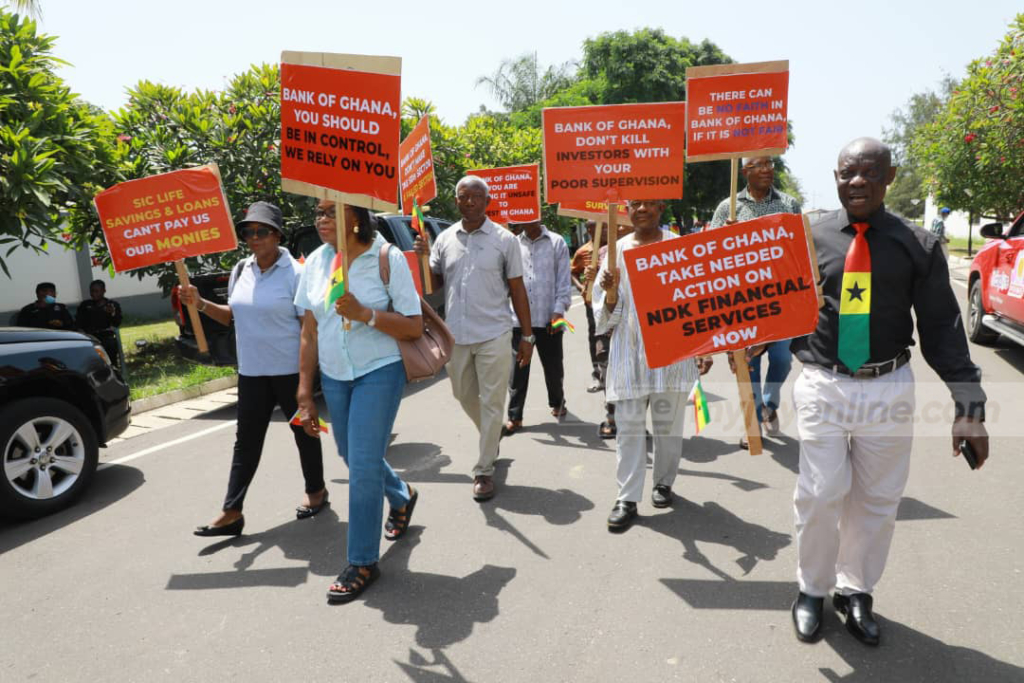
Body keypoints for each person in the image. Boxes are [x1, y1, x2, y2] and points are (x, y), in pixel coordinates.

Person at [788, 138, 988, 646]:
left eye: (870, 172)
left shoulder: (918, 245)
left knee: (877, 499)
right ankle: (812, 588)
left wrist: (969, 408)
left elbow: (943, 327)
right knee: (819, 493)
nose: (857, 181)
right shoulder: (806, 238)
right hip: (823, 383)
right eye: (847, 173)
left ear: (890, 177)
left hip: (888, 386)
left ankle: (856, 590)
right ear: (834, 178)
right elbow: (775, 305)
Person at [295, 199, 424, 605]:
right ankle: (401, 494)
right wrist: (304, 389)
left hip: (379, 370)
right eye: (316, 211)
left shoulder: (386, 258)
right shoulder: (315, 263)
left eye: (330, 210)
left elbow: (414, 325)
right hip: (335, 375)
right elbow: (309, 332)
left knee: (363, 467)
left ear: (356, 217)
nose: (320, 219)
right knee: (351, 454)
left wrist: (367, 314)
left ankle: (362, 561)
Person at [187, 202, 326, 538]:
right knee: (246, 441)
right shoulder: (240, 269)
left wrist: (306, 381)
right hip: (251, 372)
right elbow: (232, 315)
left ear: (277, 234)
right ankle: (232, 511)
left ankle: (317, 492)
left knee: (305, 431)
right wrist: (200, 304)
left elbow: (309, 330)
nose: (253, 237)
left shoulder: (296, 273)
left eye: (261, 231)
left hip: (290, 371)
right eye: (248, 231)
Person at [594, 199, 712, 531]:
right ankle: (627, 498)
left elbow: (698, 299)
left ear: (661, 207)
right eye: (635, 203)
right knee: (628, 430)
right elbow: (603, 316)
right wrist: (610, 293)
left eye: (649, 203)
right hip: (628, 355)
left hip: (672, 356)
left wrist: (704, 347)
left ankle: (663, 482)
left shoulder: (679, 247)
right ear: (626, 210)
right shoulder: (613, 254)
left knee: (668, 428)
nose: (642, 208)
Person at [414, 176, 533, 502]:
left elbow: (518, 289)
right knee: (463, 394)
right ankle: (491, 437)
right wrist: (423, 257)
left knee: (493, 402)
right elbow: (433, 285)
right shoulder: (444, 239)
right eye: (463, 197)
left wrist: (527, 335)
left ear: (487, 202)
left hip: (494, 333)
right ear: (457, 201)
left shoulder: (505, 240)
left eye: (476, 197)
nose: (469, 202)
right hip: (456, 336)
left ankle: (483, 470)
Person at [711, 156, 802, 447]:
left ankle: (769, 404)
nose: (767, 169)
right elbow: (710, 253)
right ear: (745, 171)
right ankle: (752, 425)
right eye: (759, 164)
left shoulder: (788, 205)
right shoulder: (729, 207)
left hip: (781, 299)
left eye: (770, 163)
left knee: (781, 359)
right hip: (743, 302)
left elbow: (801, 248)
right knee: (747, 364)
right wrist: (726, 235)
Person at [502, 219, 572, 435]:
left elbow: (563, 281)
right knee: (517, 370)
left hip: (551, 317)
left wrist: (559, 310)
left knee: (553, 368)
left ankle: (557, 402)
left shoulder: (557, 242)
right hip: (518, 321)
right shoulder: (511, 243)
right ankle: (515, 416)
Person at [570, 220, 617, 437]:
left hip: (633, 326)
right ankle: (611, 417)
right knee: (606, 365)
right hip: (603, 319)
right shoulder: (596, 252)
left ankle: (635, 422)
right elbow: (585, 278)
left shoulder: (629, 248)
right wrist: (590, 281)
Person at [75, 280, 123, 368]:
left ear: (104, 291)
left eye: (96, 291)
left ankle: (113, 369)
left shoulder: (112, 305)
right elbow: (78, 323)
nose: (93, 294)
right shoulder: (85, 305)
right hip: (89, 337)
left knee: (110, 345)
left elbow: (117, 323)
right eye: (92, 291)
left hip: (105, 336)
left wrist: (112, 313)